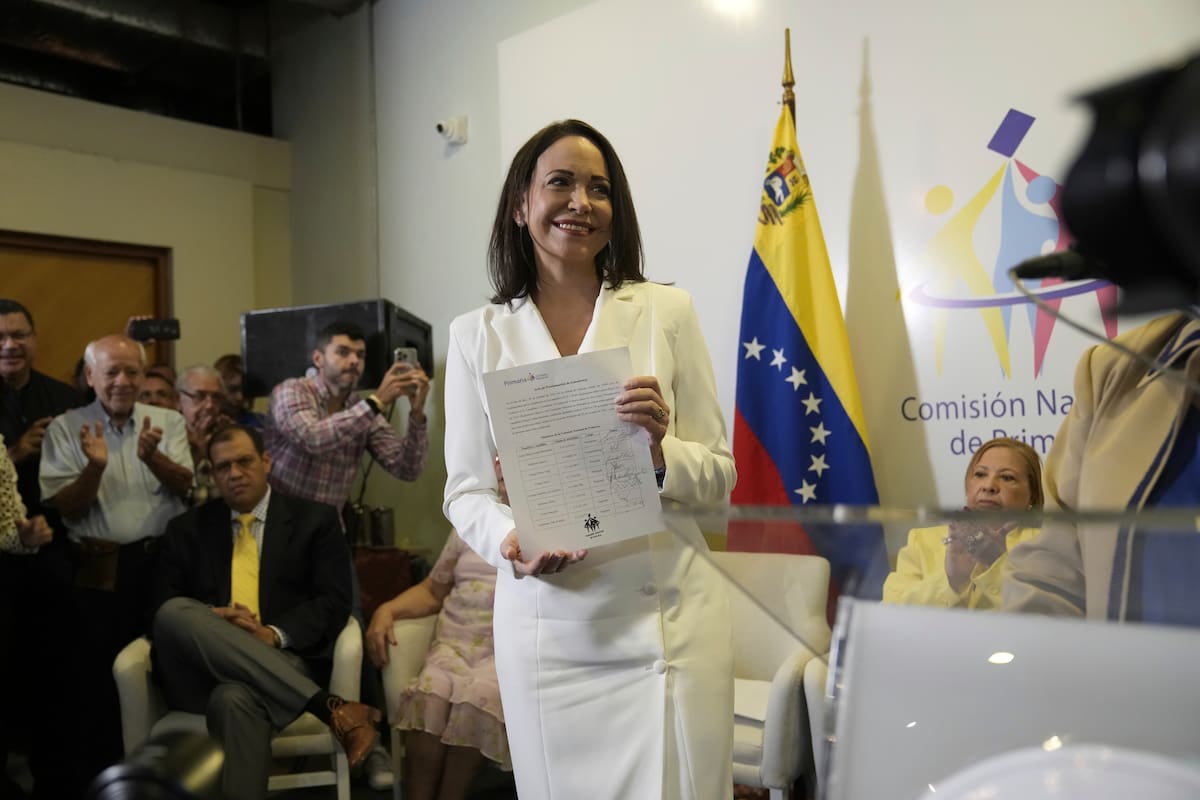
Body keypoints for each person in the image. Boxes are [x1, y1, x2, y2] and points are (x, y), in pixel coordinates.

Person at [443, 119, 736, 799]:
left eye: (599, 188)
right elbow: (463, 488)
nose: (581, 201)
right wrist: (509, 540)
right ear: (521, 205)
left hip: (670, 628)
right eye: (561, 183)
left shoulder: (667, 312)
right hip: (553, 631)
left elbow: (720, 474)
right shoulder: (475, 335)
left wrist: (662, 455)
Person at [152, 424, 381, 800]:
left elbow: (334, 601)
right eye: (222, 467)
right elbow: (159, 606)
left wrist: (273, 634)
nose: (235, 474)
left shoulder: (315, 520)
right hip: (199, 668)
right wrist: (216, 618)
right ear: (212, 472)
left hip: (282, 661)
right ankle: (334, 709)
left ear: (267, 461)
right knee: (174, 611)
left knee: (234, 700)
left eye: (244, 461)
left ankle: (335, 709)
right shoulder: (186, 529)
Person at [39, 333, 193, 794]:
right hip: (99, 570)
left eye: (132, 371)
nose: (123, 381)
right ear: (90, 377)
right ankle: (108, 782)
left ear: (145, 375)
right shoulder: (66, 428)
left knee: (164, 670)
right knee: (99, 679)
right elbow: (65, 508)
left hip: (161, 565)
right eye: (111, 372)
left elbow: (186, 486)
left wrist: (154, 457)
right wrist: (94, 468)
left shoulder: (166, 420)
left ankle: (165, 773)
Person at [1004, 313, 1200, 622]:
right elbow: (1055, 574)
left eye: (1007, 477)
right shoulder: (1112, 370)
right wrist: (1030, 660)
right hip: (1129, 667)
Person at [366, 457, 511, 800]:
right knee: (431, 693)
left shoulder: (545, 528)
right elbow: (433, 589)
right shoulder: (470, 523)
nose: (500, 468)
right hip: (453, 646)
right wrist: (387, 609)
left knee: (476, 699)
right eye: (496, 460)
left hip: (503, 654)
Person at [265, 320, 430, 509]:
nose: (354, 361)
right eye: (343, 352)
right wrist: (376, 401)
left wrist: (417, 414)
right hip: (283, 524)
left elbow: (407, 469)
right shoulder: (291, 390)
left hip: (329, 529)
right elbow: (312, 438)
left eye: (360, 355)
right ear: (318, 359)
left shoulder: (361, 408)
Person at [883, 437, 1043, 610]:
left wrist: (997, 565)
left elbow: (1052, 619)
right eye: (980, 474)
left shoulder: (1047, 544)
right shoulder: (922, 540)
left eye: (1007, 477)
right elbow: (891, 613)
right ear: (968, 486)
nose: (989, 486)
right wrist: (951, 579)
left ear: (1032, 495)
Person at [176, 365, 232, 506]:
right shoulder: (167, 436)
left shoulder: (230, 434)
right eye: (200, 396)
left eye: (216, 397)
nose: (209, 405)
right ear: (178, 401)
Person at [213, 353, 265, 430]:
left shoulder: (262, 422)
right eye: (232, 389)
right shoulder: (204, 423)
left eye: (244, 389)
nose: (240, 397)